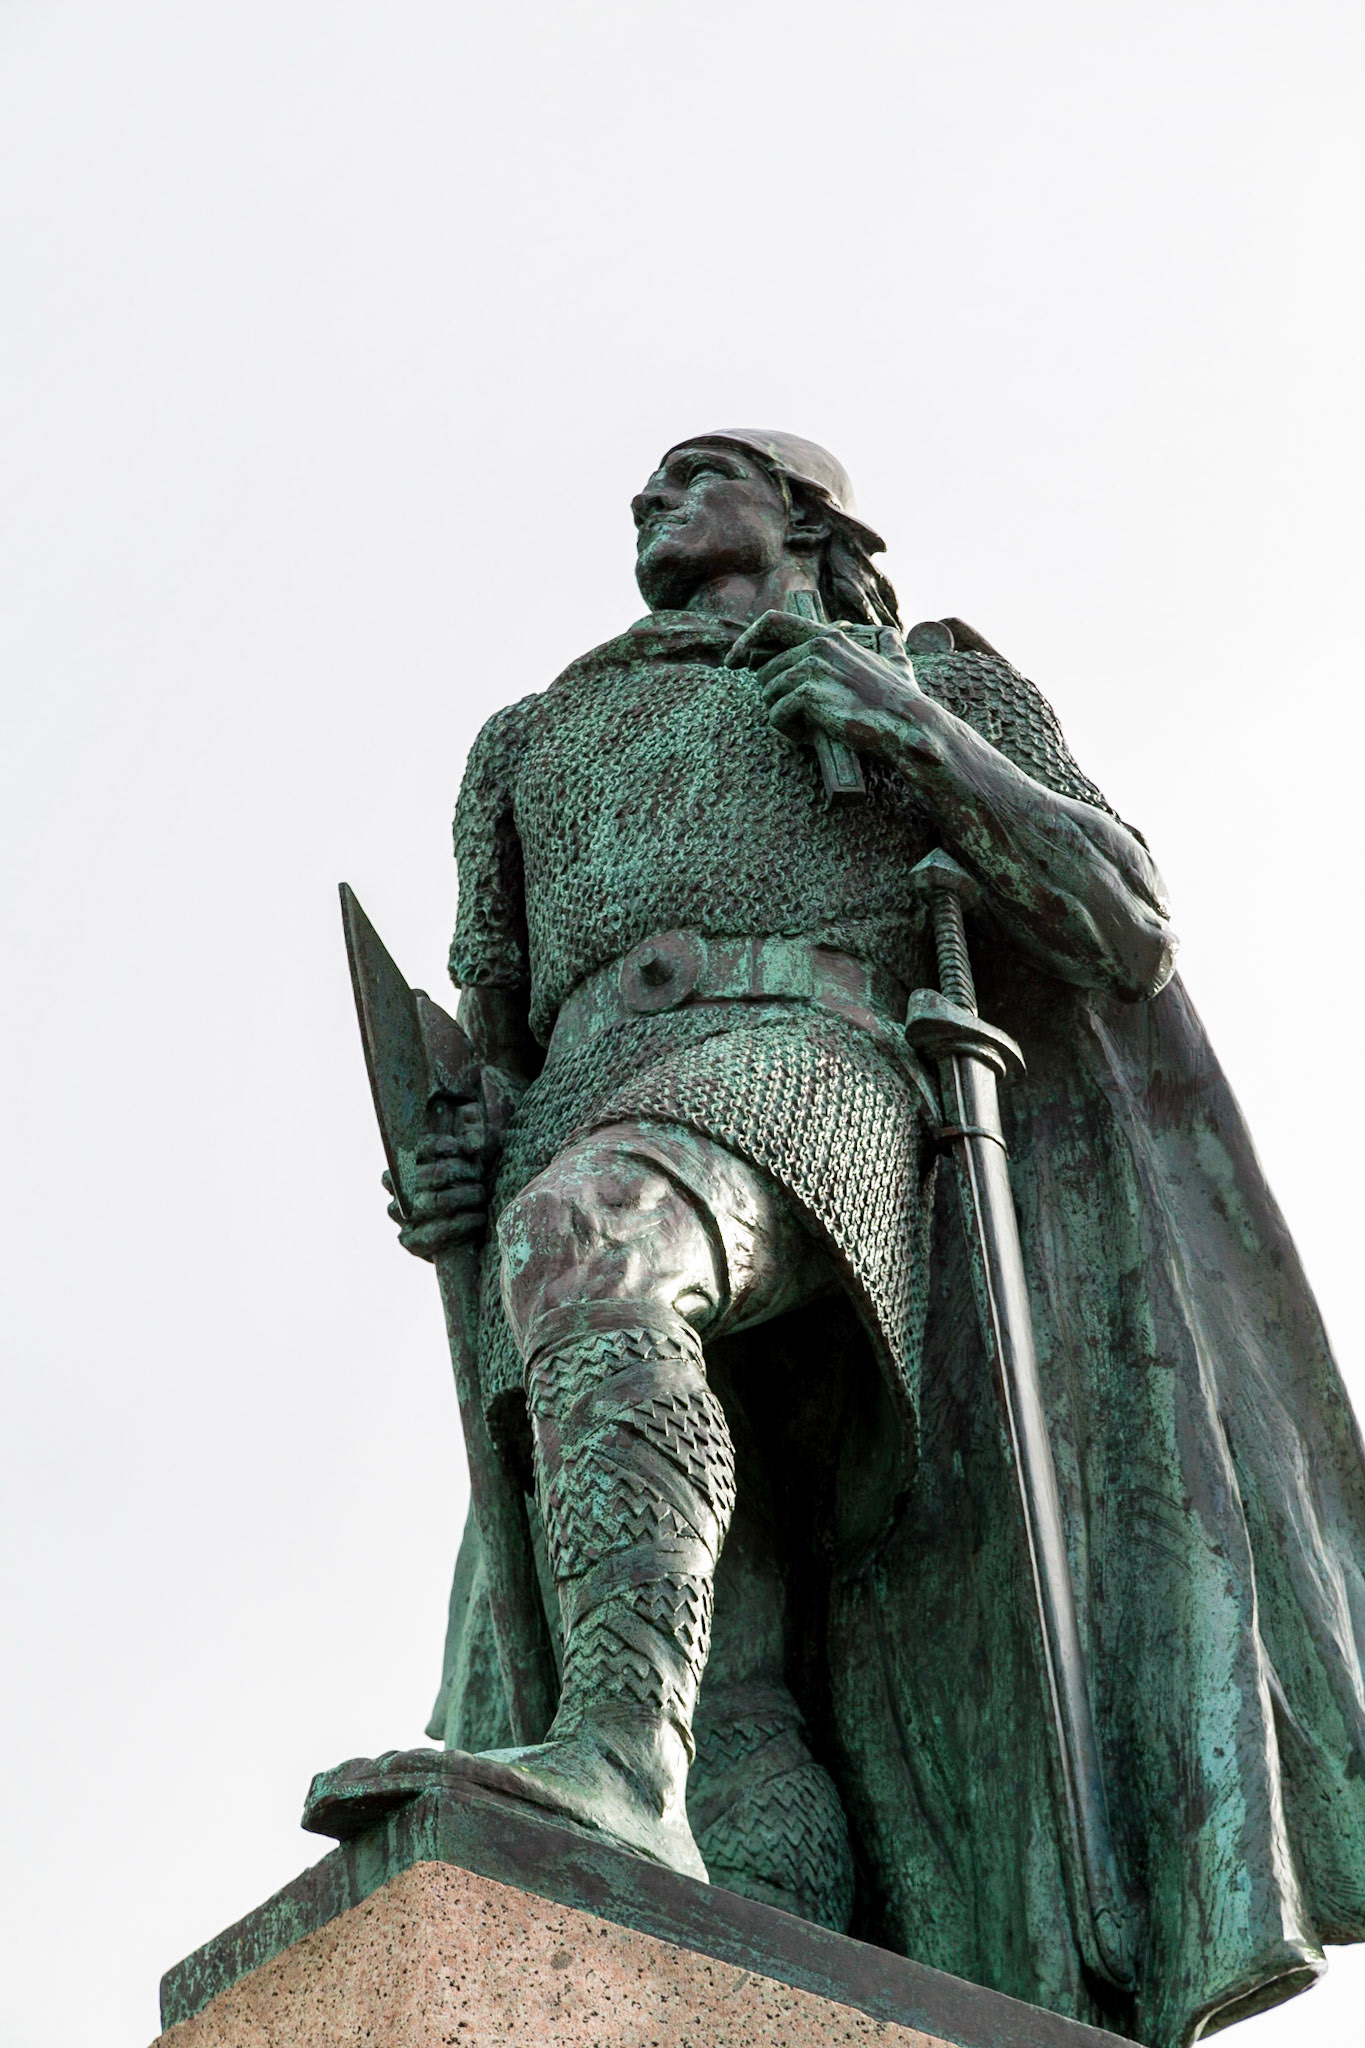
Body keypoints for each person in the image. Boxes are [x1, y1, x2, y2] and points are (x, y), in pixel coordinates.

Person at [311, 432, 1365, 2047]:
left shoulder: (928, 671)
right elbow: (499, 1033)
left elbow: (1120, 918)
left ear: (807, 516)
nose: (651, 504)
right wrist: (457, 1160)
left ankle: (612, 1756)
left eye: (696, 474)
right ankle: (723, 1902)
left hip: (817, 1071)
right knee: (728, 1667)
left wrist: (913, 731)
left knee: (595, 1238)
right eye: (641, 495)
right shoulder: (530, 740)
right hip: (580, 1115)